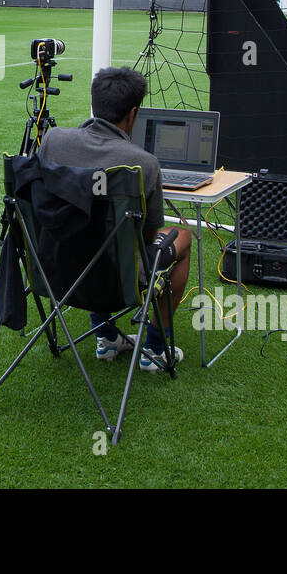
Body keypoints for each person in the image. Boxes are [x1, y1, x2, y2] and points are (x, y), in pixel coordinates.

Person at [38, 66, 191, 371]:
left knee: (90, 235)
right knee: (184, 237)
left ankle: (107, 337)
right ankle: (156, 349)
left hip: (52, 272)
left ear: (93, 104)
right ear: (133, 113)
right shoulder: (144, 164)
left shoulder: (52, 141)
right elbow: (147, 239)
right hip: (116, 282)